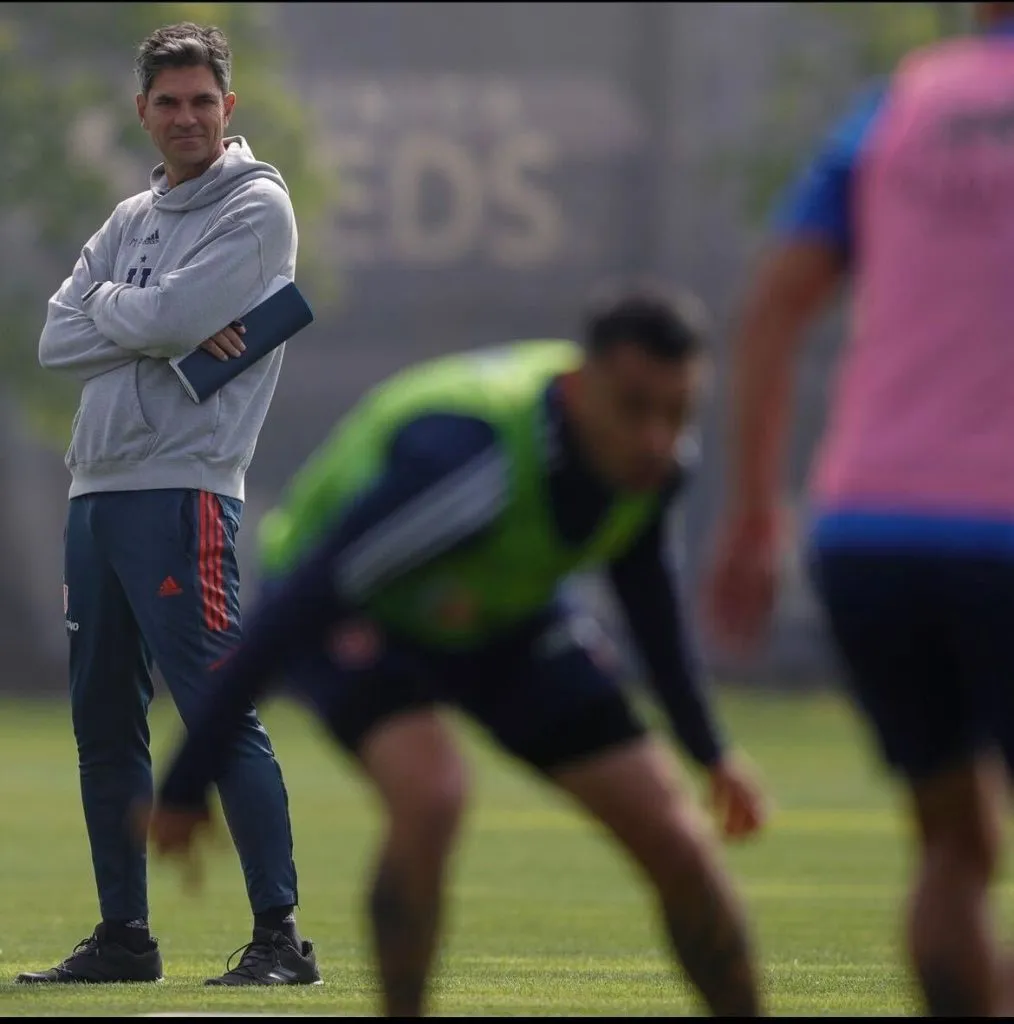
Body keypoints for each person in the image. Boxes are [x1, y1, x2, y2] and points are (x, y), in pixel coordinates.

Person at [143, 287, 768, 1018]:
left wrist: (710, 751)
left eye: (678, 413)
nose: (656, 439)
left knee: (676, 834)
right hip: (362, 616)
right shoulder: (469, 464)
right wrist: (190, 776)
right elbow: (303, 604)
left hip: (500, 616)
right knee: (433, 794)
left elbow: (648, 601)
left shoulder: (651, 466)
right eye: (635, 408)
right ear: (579, 385)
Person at [704, 2, 1014, 1017]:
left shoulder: (902, 103)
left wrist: (755, 513)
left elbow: (775, 305)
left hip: (870, 531)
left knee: (953, 847)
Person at [22, 23, 320, 987]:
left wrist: (120, 312)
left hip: (183, 487)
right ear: (142, 113)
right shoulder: (130, 216)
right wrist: (136, 318)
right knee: (103, 723)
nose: (186, 117)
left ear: (227, 109)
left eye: (202, 101)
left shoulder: (259, 206)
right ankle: (125, 939)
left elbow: (169, 320)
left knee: (217, 707)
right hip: (96, 487)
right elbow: (52, 343)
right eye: (168, 103)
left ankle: (282, 940)